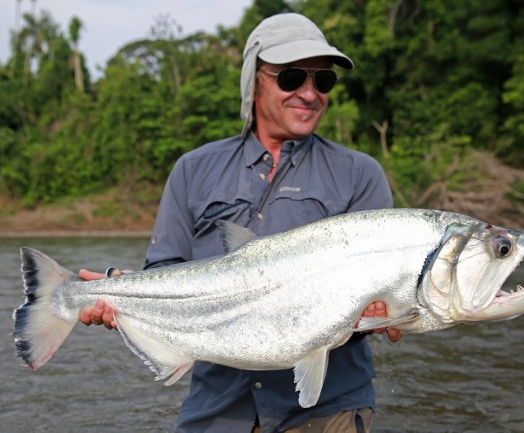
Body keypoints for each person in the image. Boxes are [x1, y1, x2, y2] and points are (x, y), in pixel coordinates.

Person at [79, 12, 402, 433]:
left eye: (323, 81)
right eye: (292, 78)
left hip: (327, 410)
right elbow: (164, 271)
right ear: (254, 80)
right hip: (216, 411)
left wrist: (381, 313)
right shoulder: (193, 169)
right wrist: (128, 297)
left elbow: (380, 291)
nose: (310, 93)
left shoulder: (361, 175)